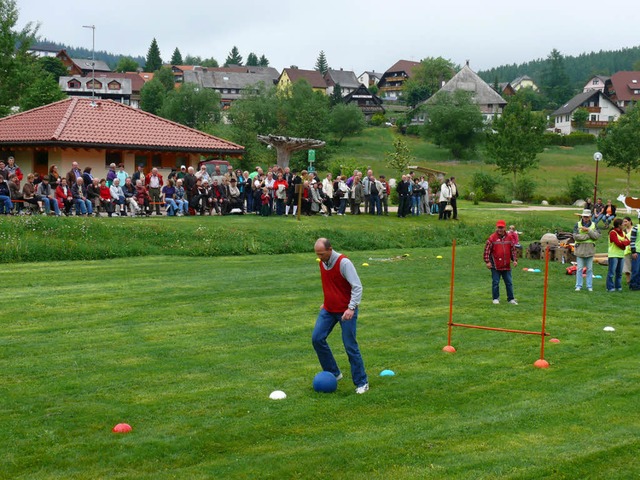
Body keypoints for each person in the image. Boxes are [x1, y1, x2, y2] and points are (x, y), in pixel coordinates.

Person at [312, 238, 369, 394]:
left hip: (346, 312)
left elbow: (357, 287)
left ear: (330, 250)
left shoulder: (344, 263)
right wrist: (326, 302)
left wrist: (351, 308)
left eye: (322, 254)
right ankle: (334, 373)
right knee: (317, 338)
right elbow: (331, 285)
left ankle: (362, 382)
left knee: (350, 346)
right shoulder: (322, 262)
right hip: (329, 310)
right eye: (317, 254)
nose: (319, 257)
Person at [484, 219, 518, 305]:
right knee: (495, 282)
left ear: (504, 228)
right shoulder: (492, 238)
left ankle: (511, 299)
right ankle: (495, 298)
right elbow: (486, 251)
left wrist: (514, 260)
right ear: (497, 227)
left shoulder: (509, 237)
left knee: (509, 282)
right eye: (499, 227)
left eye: (501, 227)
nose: (500, 229)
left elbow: (513, 250)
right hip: (495, 265)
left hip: (506, 265)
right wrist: (487, 262)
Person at [573, 209, 600, 292]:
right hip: (580, 250)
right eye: (584, 216)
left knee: (589, 269)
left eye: (587, 217)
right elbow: (575, 237)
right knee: (579, 269)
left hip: (590, 250)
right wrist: (588, 236)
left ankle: (589, 286)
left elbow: (597, 236)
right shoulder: (577, 225)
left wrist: (588, 230)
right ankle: (578, 286)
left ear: (590, 217)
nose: (585, 218)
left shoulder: (594, 225)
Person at [606, 218, 630, 292]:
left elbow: (628, 241)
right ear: (619, 225)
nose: (624, 225)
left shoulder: (623, 232)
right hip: (613, 255)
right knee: (611, 272)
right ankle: (610, 287)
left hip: (621, 255)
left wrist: (623, 243)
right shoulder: (612, 233)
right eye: (623, 224)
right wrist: (623, 243)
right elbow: (618, 243)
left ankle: (618, 286)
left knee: (619, 273)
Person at [628, 222, 640, 290]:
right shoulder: (636, 228)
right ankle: (633, 285)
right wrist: (633, 251)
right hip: (637, 252)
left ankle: (638, 284)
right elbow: (632, 240)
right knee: (636, 269)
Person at [622, 217, 633, 284]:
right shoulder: (623, 231)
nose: (625, 223)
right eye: (624, 222)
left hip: (635, 249)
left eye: (626, 221)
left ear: (630, 221)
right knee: (627, 267)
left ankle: (635, 279)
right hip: (626, 251)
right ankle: (628, 281)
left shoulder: (635, 229)